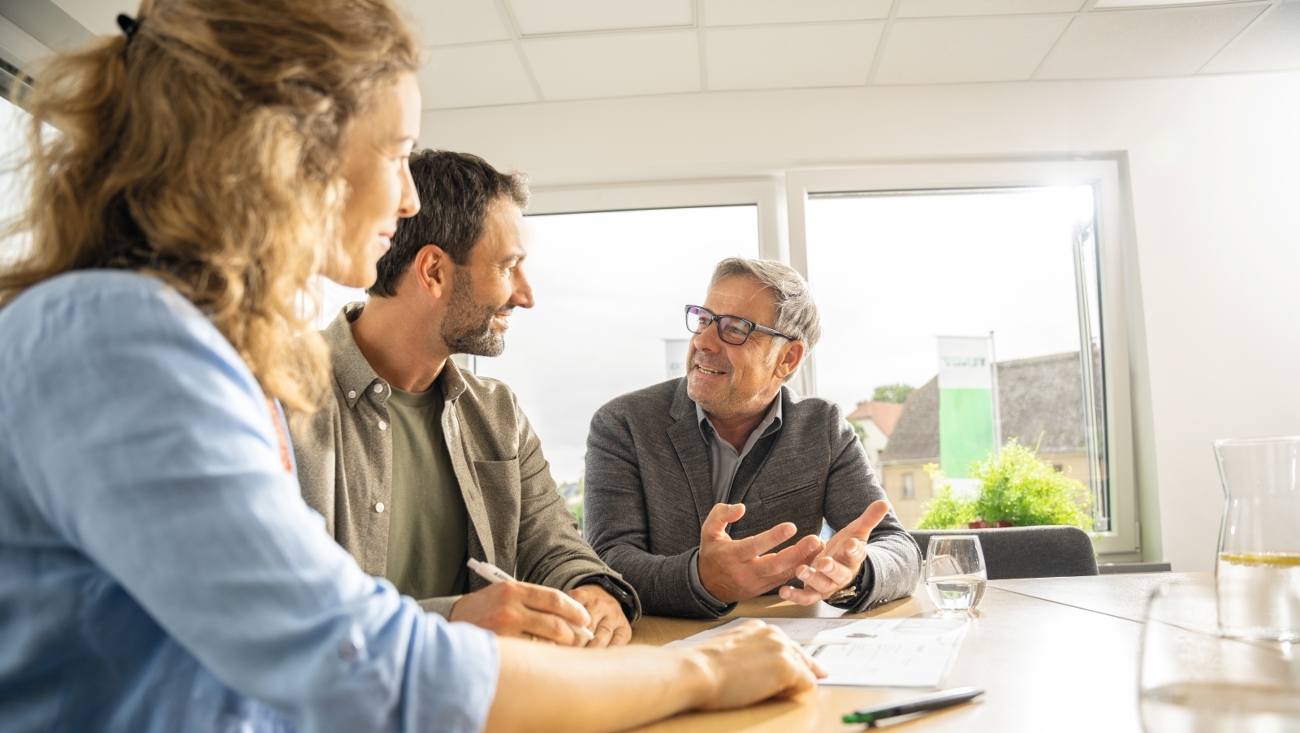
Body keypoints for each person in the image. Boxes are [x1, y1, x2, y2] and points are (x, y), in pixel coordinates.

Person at [0, 3, 823, 732]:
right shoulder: (125, 341)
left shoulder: (186, 343)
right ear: (292, 152)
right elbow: (355, 662)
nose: (403, 199)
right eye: (396, 153)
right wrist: (704, 668)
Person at [291, 149, 639, 648]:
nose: (525, 295)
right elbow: (287, 610)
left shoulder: (499, 413)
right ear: (433, 271)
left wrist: (589, 588)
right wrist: (454, 618)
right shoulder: (280, 399)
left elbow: (552, 542)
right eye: (508, 267)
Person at [584, 258, 922, 619]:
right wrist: (701, 578)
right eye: (703, 319)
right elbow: (609, 561)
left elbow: (899, 548)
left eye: (734, 329)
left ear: (787, 359)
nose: (703, 341)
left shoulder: (822, 428)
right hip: (664, 651)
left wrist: (854, 572)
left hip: (784, 646)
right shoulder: (623, 424)